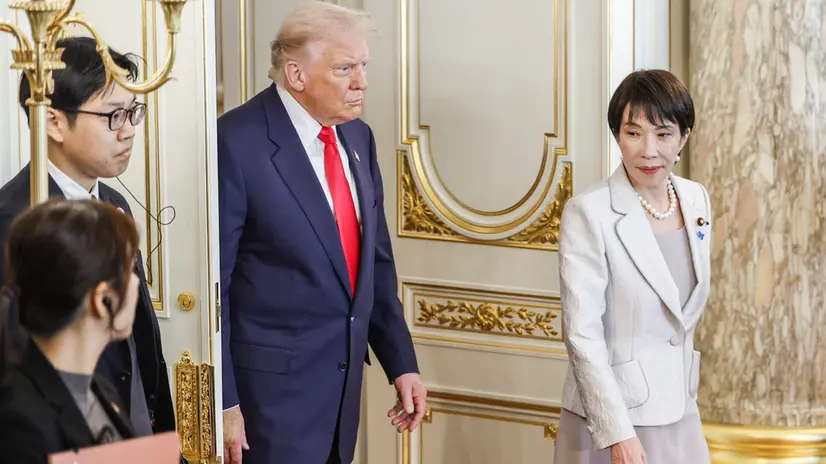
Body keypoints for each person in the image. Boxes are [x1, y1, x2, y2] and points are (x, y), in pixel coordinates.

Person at [218, 3, 425, 463]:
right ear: (296, 74)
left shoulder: (358, 137)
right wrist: (225, 403)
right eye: (345, 68)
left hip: (340, 399)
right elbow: (217, 290)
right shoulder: (235, 143)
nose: (362, 81)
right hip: (266, 408)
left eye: (363, 65)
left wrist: (401, 364)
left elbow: (374, 262)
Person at [0, 36, 175, 436]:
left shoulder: (114, 203)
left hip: (130, 421)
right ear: (54, 121)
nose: (128, 131)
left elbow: (141, 334)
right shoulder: (13, 221)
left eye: (133, 113)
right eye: (113, 116)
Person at [553, 69, 712, 464]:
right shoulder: (589, 213)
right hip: (614, 419)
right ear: (617, 136)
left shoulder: (696, 200)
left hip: (680, 408)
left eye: (663, 134)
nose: (648, 150)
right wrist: (617, 432)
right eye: (633, 133)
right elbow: (581, 334)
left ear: (684, 138)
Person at [0, 199, 141, 463]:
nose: (136, 284)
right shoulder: (18, 424)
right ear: (103, 300)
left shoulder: (100, 388)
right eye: (129, 271)